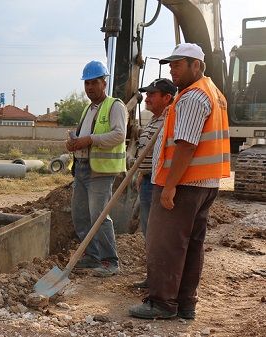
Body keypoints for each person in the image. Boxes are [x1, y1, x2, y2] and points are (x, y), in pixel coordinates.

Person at [129, 43, 230, 319]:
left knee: (167, 243)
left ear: (195, 65)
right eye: (170, 65)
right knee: (192, 245)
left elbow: (186, 145)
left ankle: (161, 303)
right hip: (204, 184)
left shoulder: (192, 98)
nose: (172, 70)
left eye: (178, 64)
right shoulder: (214, 93)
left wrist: (170, 185)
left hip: (184, 183)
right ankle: (185, 304)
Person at [66, 60, 128, 277]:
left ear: (104, 82)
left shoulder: (115, 106)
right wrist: (74, 143)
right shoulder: (88, 108)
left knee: (99, 216)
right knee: (80, 215)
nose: (89, 87)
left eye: (94, 83)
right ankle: (91, 256)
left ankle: (110, 260)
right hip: (82, 168)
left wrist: (89, 140)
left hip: (101, 171)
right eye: (87, 84)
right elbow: (85, 137)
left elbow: (119, 134)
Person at [132, 78, 177, 289]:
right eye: (147, 94)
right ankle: (153, 276)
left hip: (159, 182)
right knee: (148, 232)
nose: (147, 98)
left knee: (158, 234)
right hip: (148, 180)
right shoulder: (153, 120)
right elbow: (147, 152)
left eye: (152, 94)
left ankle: (160, 279)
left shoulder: (170, 120)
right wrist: (141, 174)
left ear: (167, 98)